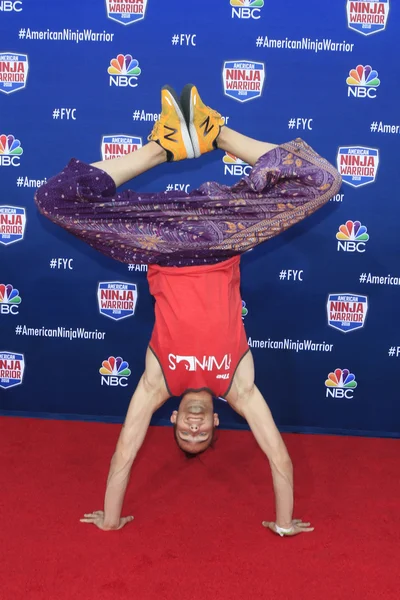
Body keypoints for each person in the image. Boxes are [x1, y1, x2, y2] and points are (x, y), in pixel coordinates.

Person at [35, 84, 342, 536]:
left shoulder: (158, 382)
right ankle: (215, 132)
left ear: (174, 417)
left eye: (186, 432)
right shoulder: (238, 385)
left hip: (159, 241)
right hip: (224, 233)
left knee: (51, 199)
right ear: (217, 420)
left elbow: (125, 451)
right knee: (323, 179)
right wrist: (283, 522)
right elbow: (278, 455)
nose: (195, 427)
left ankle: (162, 148)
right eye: (203, 433)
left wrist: (111, 520)